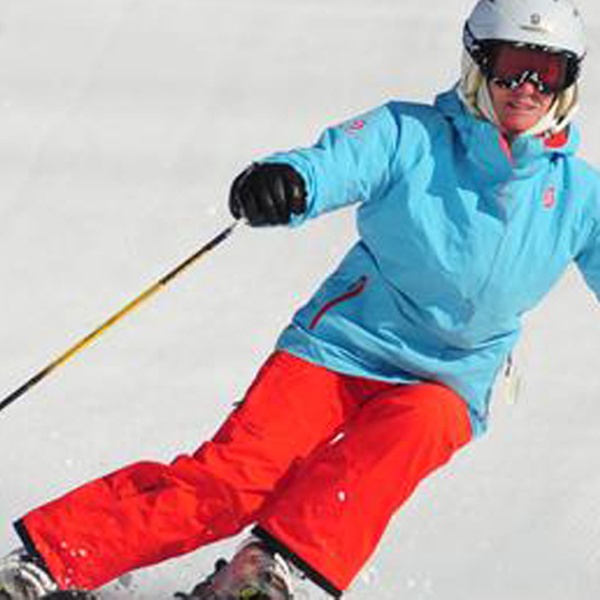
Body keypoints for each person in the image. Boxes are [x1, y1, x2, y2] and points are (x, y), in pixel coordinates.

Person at [1, 0, 598, 598]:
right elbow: (335, 162)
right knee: (236, 480)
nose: (526, 87)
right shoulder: (411, 133)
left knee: (416, 431)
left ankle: (262, 572)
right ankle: (52, 559)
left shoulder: (578, 196)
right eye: (511, 66)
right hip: (342, 347)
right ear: (477, 65)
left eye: (546, 72)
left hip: (447, 379)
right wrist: (289, 181)